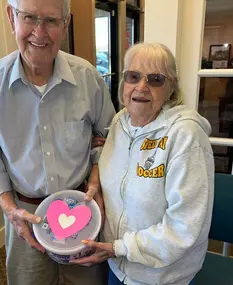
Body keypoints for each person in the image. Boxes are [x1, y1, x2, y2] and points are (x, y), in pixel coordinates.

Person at [0, 0, 115, 284]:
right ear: (12, 18)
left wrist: (95, 177)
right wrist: (10, 209)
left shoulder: (88, 79)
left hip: (82, 211)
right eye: (30, 18)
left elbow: (107, 137)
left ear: (66, 24)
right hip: (25, 216)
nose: (39, 32)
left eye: (51, 21)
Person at [71, 43, 214, 285]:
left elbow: (184, 228)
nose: (141, 86)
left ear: (170, 88)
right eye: (133, 76)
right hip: (117, 265)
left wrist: (119, 247)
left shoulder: (186, 136)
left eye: (155, 79)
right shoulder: (119, 122)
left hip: (161, 277)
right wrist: (95, 174)